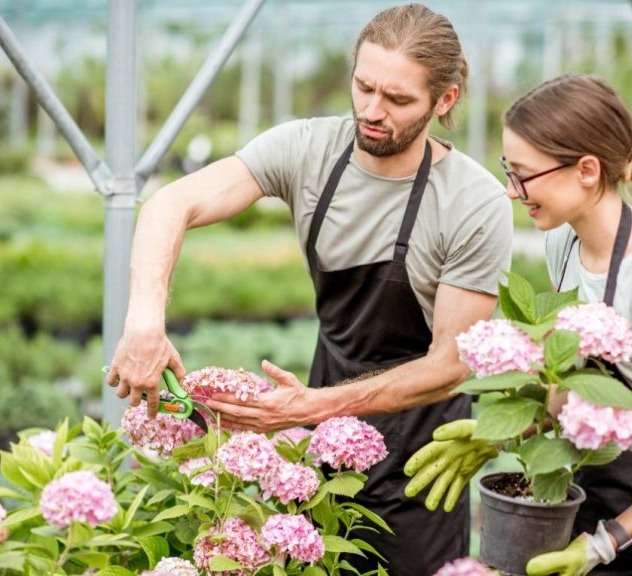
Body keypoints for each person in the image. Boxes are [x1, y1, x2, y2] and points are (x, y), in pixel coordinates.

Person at [106, 4, 513, 575]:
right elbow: (171, 204)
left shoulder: (473, 202)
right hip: (321, 427)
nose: (372, 111)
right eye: (364, 86)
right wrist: (144, 323)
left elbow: (450, 364)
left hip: (422, 453)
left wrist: (312, 408)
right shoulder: (307, 150)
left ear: (444, 100)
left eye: (398, 100)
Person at [406, 73, 632, 575]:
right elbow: (579, 388)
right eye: (507, 170)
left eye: (523, 174)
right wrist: (502, 434)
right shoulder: (565, 246)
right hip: (597, 510)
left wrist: (604, 545)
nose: (513, 192)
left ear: (585, 169)